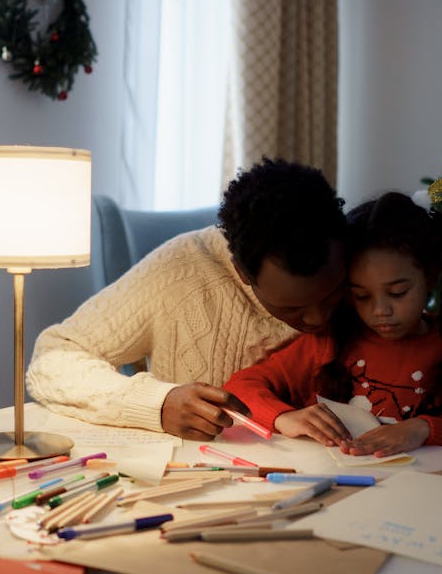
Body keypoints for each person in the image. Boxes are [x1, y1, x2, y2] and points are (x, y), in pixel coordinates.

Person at [25, 158, 348, 441]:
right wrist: (157, 403)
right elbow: (53, 356)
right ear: (242, 273)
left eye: (335, 292)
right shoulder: (180, 271)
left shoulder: (368, 264)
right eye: (292, 309)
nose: (319, 319)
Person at [223, 191, 442, 457]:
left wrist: (424, 428)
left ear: (430, 277)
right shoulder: (331, 341)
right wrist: (283, 417)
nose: (381, 311)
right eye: (361, 296)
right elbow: (240, 387)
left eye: (397, 292)